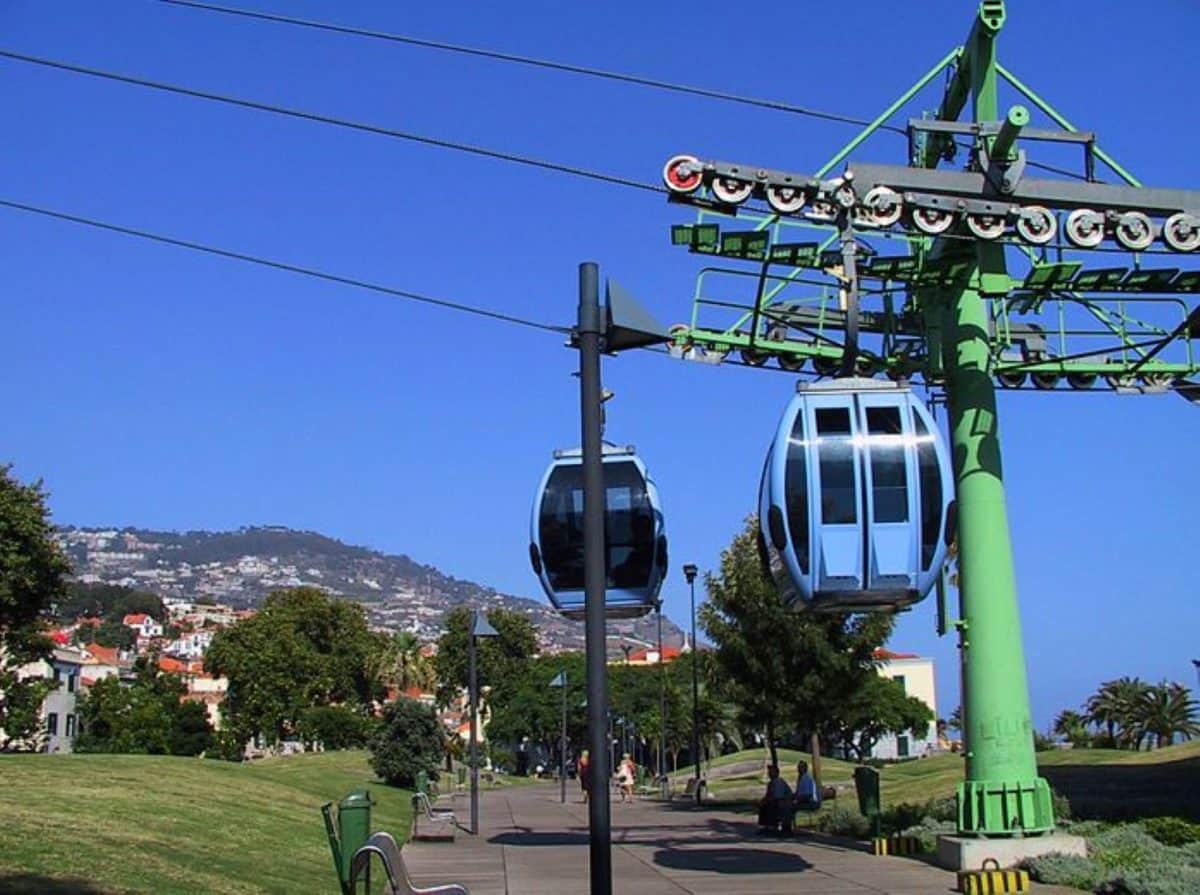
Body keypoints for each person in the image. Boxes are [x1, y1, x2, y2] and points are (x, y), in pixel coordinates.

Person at [757, 764, 793, 835]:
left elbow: (778, 796)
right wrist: (763, 800)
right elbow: (768, 795)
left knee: (771, 805)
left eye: (771, 772)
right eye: (769, 772)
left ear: (777, 773)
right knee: (763, 805)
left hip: (784, 803)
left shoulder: (779, 782)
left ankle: (773, 827)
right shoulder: (771, 783)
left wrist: (767, 800)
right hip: (777, 802)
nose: (769, 773)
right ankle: (766, 826)